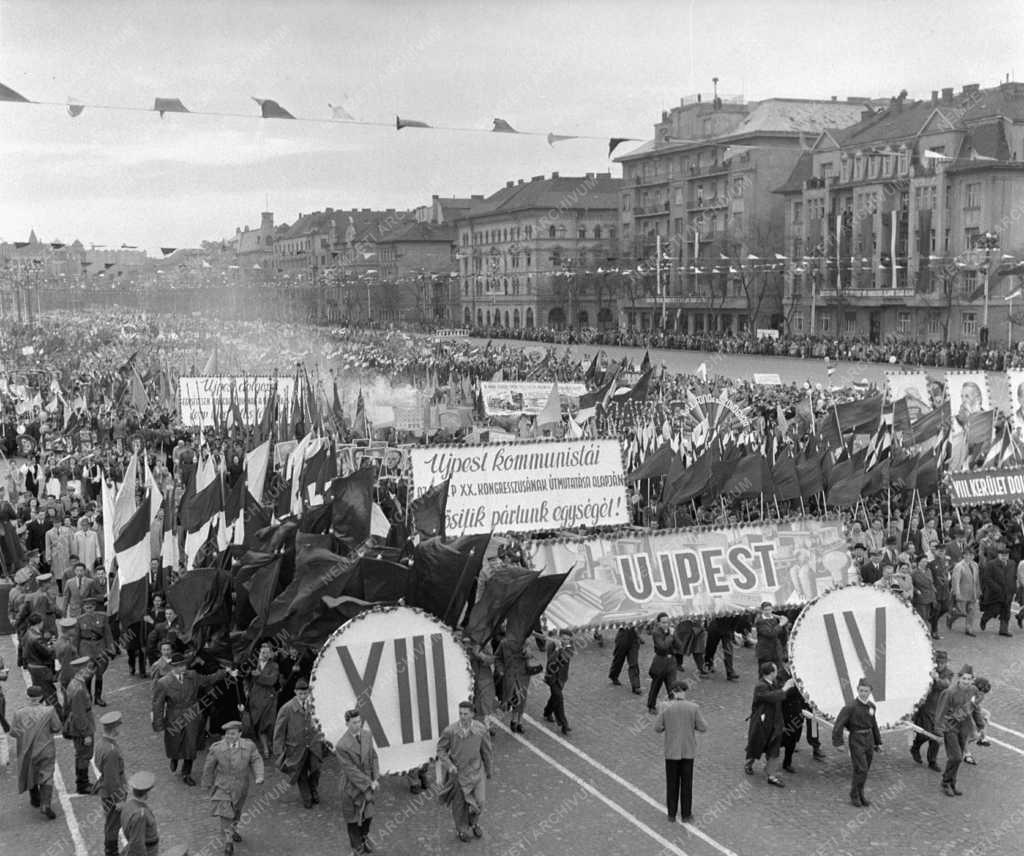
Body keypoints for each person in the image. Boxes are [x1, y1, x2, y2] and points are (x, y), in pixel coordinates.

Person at [152, 653, 230, 786]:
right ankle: (174, 757)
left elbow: (208, 679)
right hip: (174, 714)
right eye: (179, 666)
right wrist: (158, 723)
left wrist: (225, 672)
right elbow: (157, 704)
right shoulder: (163, 682)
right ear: (173, 667)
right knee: (175, 741)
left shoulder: (192, 676)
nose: (183, 668)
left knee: (191, 743)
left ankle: (186, 772)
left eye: (184, 665)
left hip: (192, 713)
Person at [201, 720, 265, 856]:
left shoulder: (249, 746)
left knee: (236, 811)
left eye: (233, 734)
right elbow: (209, 766)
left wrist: (259, 775)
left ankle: (233, 829)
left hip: (241, 786)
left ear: (240, 734)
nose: (229, 736)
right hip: (223, 786)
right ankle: (228, 841)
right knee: (225, 812)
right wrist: (206, 784)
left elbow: (256, 759)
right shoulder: (217, 748)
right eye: (227, 734)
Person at [437, 700, 493, 843]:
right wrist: (449, 765)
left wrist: (489, 769)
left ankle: (473, 823)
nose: (462, 717)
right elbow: (441, 750)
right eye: (460, 713)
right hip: (458, 774)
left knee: (480, 802)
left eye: (465, 714)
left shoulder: (481, 729)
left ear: (472, 714)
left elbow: (486, 751)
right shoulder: (450, 731)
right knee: (459, 806)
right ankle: (461, 830)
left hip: (476, 772)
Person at [653, 679, 707, 824]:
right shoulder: (693, 707)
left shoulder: (664, 706)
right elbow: (703, 727)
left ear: (672, 691)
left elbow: (658, 728)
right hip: (688, 751)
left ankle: (671, 814)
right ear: (685, 691)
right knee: (687, 784)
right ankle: (686, 814)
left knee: (672, 782)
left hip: (671, 751)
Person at [10, 685, 63, 819]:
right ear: (41, 698)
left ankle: (35, 799)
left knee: (30, 772)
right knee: (46, 776)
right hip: (45, 749)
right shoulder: (49, 711)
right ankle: (45, 804)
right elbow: (57, 727)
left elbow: (14, 733)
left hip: (27, 750)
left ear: (28, 697)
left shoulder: (19, 713)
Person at [273, 677, 326, 809]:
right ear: (295, 692)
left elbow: (321, 723)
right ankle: (307, 796)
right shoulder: (287, 708)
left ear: (309, 692)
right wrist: (278, 750)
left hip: (313, 745)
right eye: (300, 693)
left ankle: (313, 789)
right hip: (296, 747)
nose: (303, 696)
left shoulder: (314, 706)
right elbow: (279, 731)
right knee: (300, 773)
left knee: (316, 769)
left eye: (305, 693)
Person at [832, 678, 883, 807]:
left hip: (869, 739)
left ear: (870, 691)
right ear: (857, 690)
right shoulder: (850, 707)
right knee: (862, 768)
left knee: (863, 769)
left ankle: (860, 794)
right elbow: (838, 725)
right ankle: (854, 794)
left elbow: (874, 724)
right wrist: (839, 743)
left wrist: (878, 742)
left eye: (866, 691)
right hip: (856, 739)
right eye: (861, 690)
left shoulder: (872, 706)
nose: (863, 693)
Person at [335, 709, 380, 856]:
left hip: (368, 785)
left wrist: (375, 777)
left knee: (368, 815)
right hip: (351, 788)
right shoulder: (341, 745)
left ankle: (364, 839)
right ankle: (357, 849)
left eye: (359, 721)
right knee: (353, 820)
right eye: (354, 722)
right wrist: (368, 782)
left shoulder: (367, 735)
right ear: (347, 723)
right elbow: (351, 770)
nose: (357, 725)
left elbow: (373, 757)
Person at [744, 661, 793, 787]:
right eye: (776, 670)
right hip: (762, 723)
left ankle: (771, 775)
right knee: (757, 744)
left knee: (774, 748)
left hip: (775, 722)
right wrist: (785, 688)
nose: (777, 672)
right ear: (771, 673)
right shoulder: (760, 686)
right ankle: (749, 762)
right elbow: (771, 697)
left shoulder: (774, 683)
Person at [934, 664, 978, 797]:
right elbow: (940, 712)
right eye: (964, 678)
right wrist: (939, 731)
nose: (966, 682)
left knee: (957, 758)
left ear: (972, 680)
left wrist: (979, 725)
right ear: (959, 678)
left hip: (964, 727)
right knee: (956, 757)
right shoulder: (949, 692)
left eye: (969, 679)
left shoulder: (973, 690)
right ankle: (945, 782)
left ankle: (952, 782)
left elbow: (974, 707)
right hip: (950, 727)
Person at [910, 650, 954, 771]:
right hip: (926, 708)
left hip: (939, 710)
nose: (940, 665)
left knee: (937, 736)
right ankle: (915, 747)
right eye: (938, 662)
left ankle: (932, 761)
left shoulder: (948, 673)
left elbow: (945, 685)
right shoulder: (926, 671)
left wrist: (936, 678)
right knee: (925, 733)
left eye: (942, 663)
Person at [94, 710, 127, 856]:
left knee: (111, 823)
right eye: (119, 726)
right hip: (113, 793)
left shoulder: (101, 743)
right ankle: (111, 852)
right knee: (113, 825)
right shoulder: (112, 750)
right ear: (114, 728)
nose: (120, 728)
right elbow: (112, 778)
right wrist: (119, 800)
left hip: (107, 791)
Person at [63, 655, 96, 794]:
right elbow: (79, 714)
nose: (92, 672)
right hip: (82, 727)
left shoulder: (75, 683)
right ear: (82, 670)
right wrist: (86, 733)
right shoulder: (79, 689)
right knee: (84, 755)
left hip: (80, 723)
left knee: (81, 754)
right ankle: (82, 784)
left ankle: (82, 782)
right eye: (89, 669)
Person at [245, 641, 280, 758]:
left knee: (268, 724)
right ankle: (265, 747)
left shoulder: (274, 666)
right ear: (259, 653)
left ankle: (268, 746)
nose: (264, 654)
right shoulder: (253, 664)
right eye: (262, 652)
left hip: (269, 698)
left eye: (267, 652)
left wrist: (258, 676)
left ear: (271, 654)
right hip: (255, 699)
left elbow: (272, 681)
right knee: (257, 723)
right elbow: (247, 680)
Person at [77, 595, 113, 705]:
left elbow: (107, 633)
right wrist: (76, 653)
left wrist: (110, 648)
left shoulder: (102, 617)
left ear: (95, 607)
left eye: (91, 607)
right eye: (87, 608)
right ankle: (88, 697)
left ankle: (98, 697)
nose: (89, 610)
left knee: (99, 672)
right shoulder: (79, 620)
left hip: (100, 646)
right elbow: (77, 637)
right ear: (83, 608)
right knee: (88, 673)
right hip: (86, 648)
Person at [542, 629, 575, 735]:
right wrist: (556, 649)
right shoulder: (552, 645)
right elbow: (551, 660)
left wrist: (560, 649)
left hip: (562, 678)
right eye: (564, 639)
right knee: (559, 697)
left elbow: (564, 658)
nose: (566, 641)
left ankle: (547, 712)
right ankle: (564, 723)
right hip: (552, 677)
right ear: (559, 637)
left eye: (568, 640)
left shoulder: (571, 647)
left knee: (555, 697)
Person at [979, 545, 1016, 637]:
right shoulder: (991, 564)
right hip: (996, 593)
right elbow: (987, 578)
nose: (1004, 557)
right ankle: (984, 619)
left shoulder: (1012, 563)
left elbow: (1013, 577)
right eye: (1002, 555)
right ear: (998, 555)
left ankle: (1003, 630)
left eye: (1006, 555)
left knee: (1006, 611)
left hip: (1008, 592)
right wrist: (996, 588)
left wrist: (1013, 589)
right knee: (994, 610)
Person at [120, 771, 159, 856]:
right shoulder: (141, 814)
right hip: (148, 851)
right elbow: (137, 844)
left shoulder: (128, 804)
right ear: (147, 793)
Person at [646, 613, 676, 714]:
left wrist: (674, 635)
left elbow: (680, 646)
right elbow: (663, 646)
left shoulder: (671, 632)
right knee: (656, 685)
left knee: (673, 685)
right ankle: (651, 705)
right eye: (663, 622)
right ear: (658, 623)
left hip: (671, 662)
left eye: (667, 622)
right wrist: (671, 636)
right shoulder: (656, 633)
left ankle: (675, 706)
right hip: (660, 661)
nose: (666, 624)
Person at [948, 547, 980, 636]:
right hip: (962, 592)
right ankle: (951, 618)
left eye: (971, 555)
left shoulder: (975, 565)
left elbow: (977, 580)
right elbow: (955, 580)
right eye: (967, 555)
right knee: (961, 612)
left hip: (972, 592)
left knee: (971, 611)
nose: (969, 557)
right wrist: (957, 593)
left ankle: (969, 629)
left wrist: (978, 591)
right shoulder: (959, 566)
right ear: (963, 556)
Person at [704, 615, 740, 681]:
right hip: (715, 627)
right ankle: (708, 663)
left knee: (728, 650)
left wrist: (732, 631)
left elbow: (737, 618)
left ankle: (730, 672)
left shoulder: (735, 607)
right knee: (711, 648)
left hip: (727, 629)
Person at [608, 624, 643, 694]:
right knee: (618, 660)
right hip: (622, 636)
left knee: (634, 662)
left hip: (633, 637)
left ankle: (636, 686)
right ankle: (613, 676)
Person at [754, 601, 788, 669]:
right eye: (766, 610)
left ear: (772, 609)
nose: (768, 612)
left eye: (769, 609)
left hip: (775, 651)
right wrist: (781, 624)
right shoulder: (760, 621)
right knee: (765, 672)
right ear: (762, 610)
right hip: (765, 652)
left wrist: (784, 624)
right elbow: (770, 633)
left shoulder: (774, 619)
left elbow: (780, 633)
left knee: (777, 672)